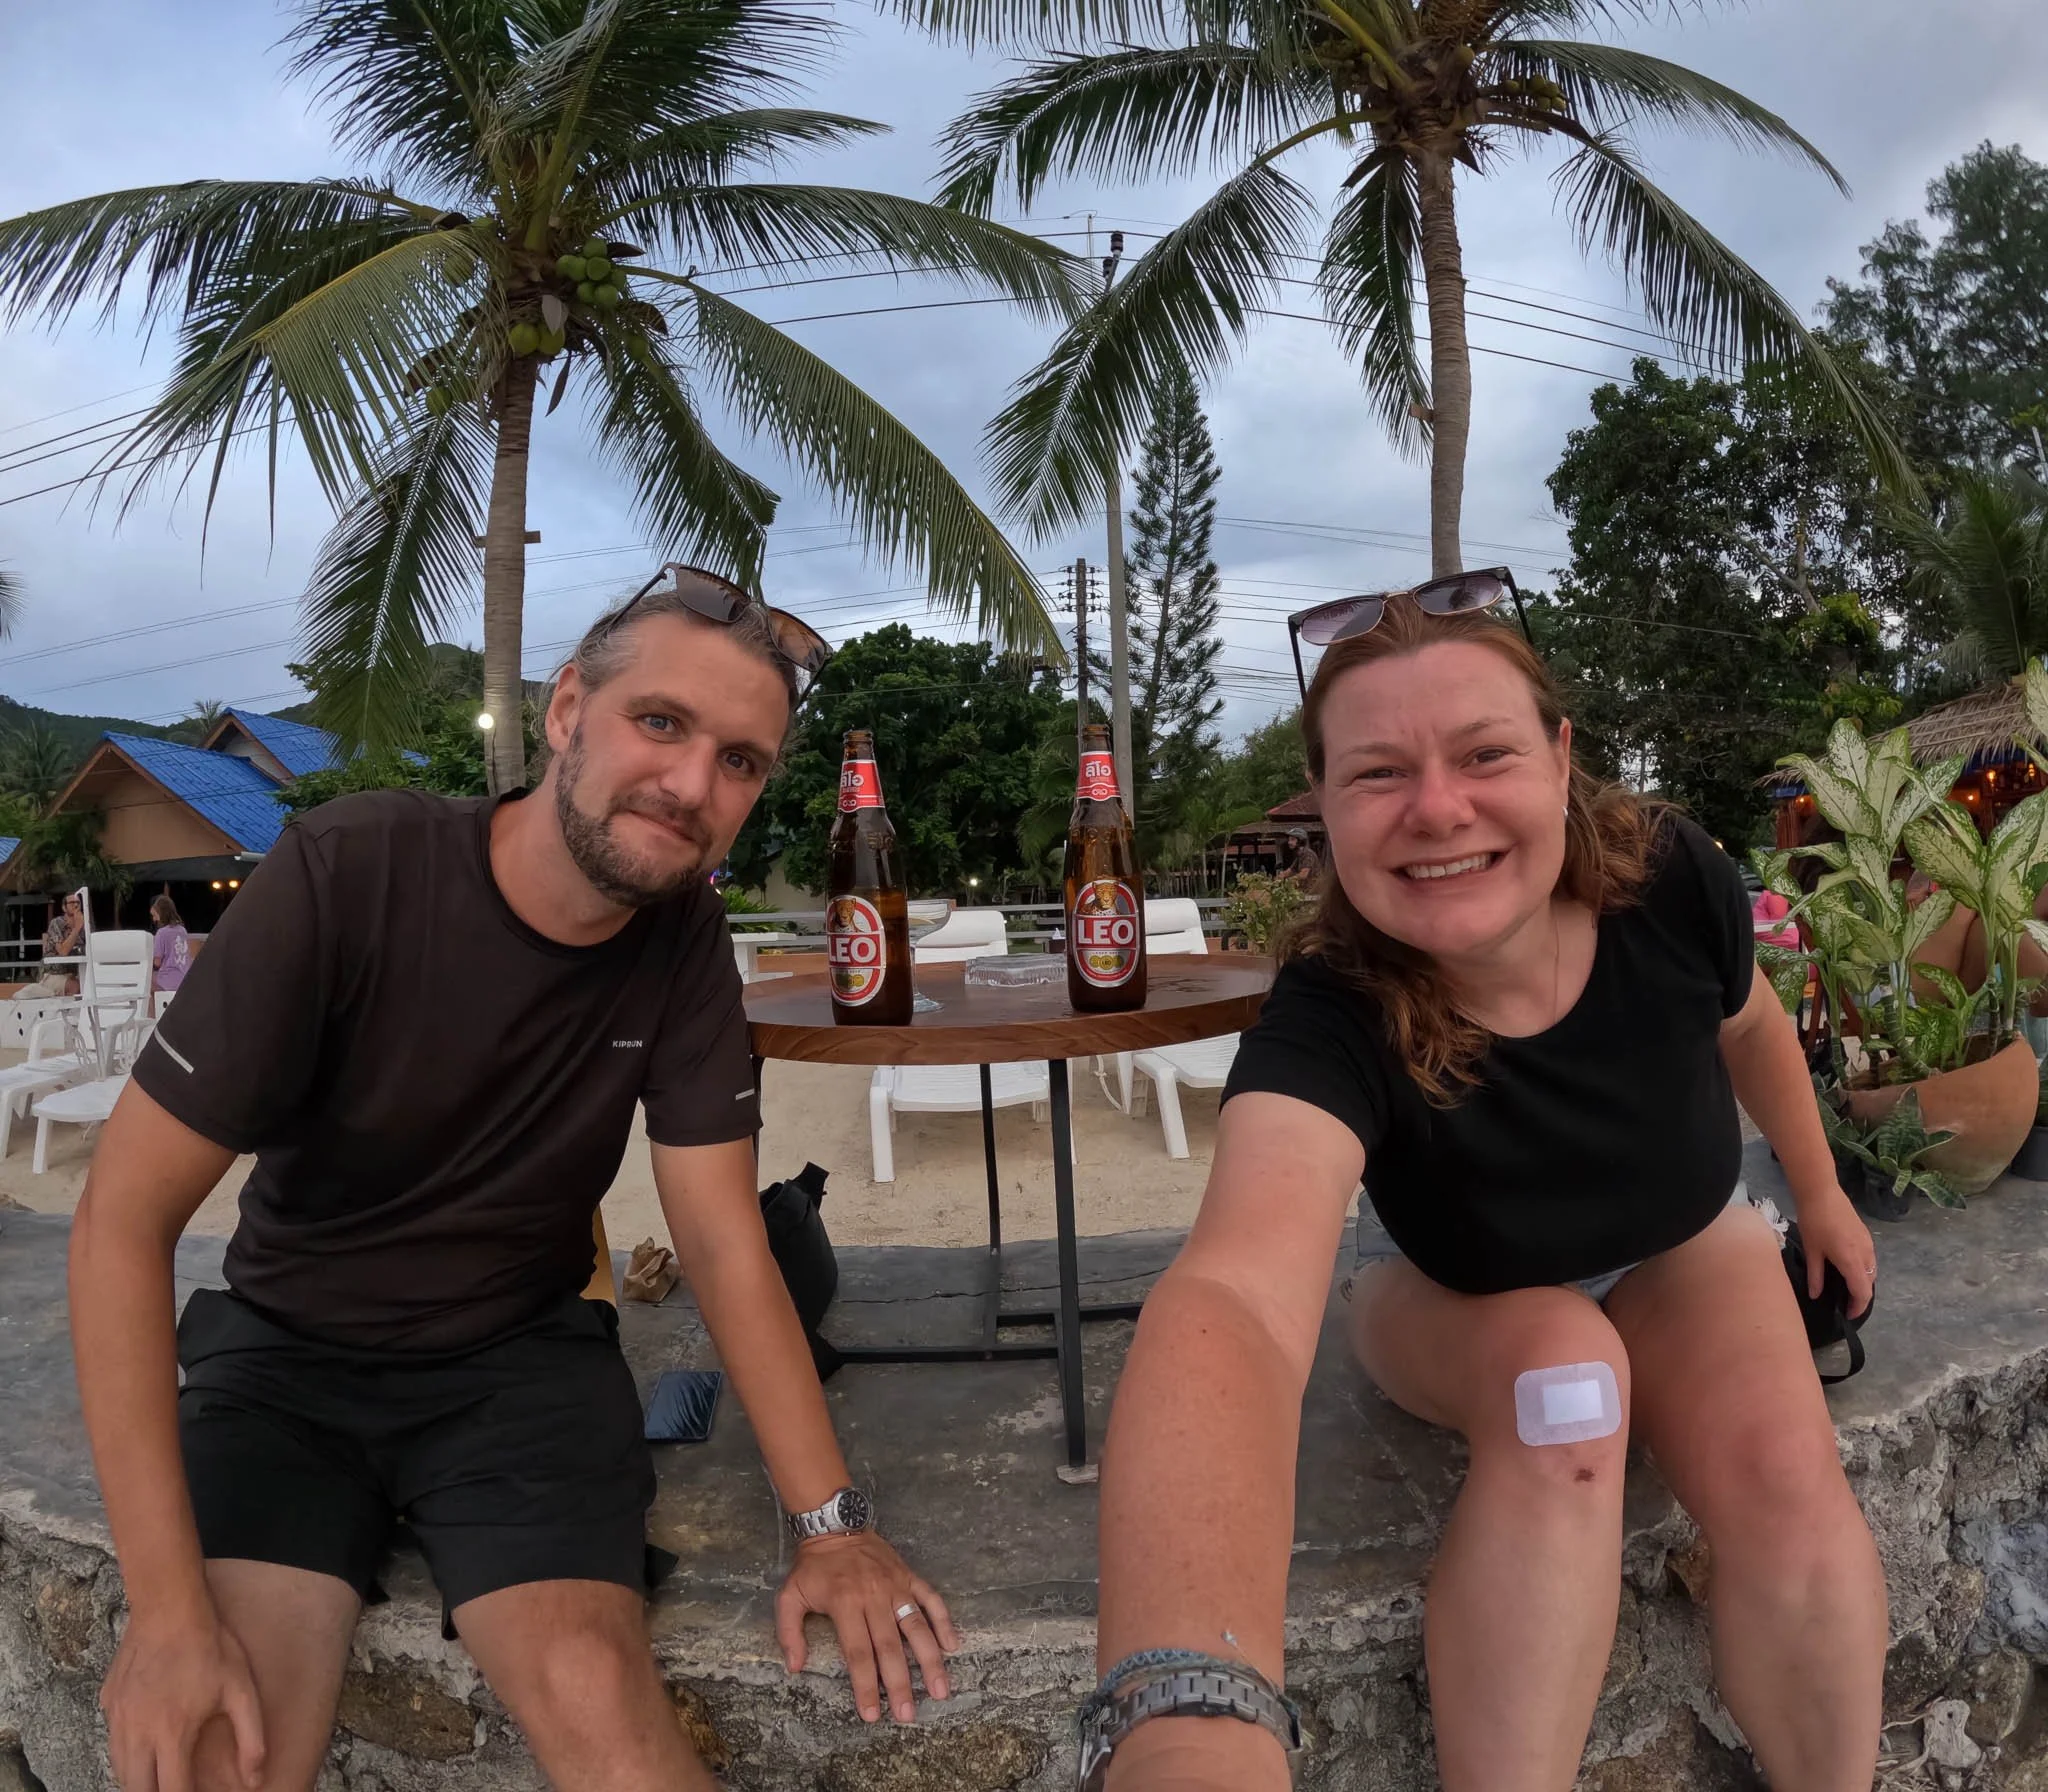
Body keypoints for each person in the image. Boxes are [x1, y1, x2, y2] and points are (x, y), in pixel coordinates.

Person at [70, 567, 958, 1792]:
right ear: (567, 709)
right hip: (286, 1365)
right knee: (221, 1746)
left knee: (602, 1703)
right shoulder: (350, 870)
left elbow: (718, 1238)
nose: (691, 784)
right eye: (660, 721)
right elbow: (121, 1220)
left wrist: (831, 1526)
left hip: (517, 1370)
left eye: (740, 760)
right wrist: (167, 1614)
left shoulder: (682, 943)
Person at [1089, 593, 1883, 1792]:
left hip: (1677, 1244)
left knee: (1783, 1466)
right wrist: (1187, 1714)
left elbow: (1750, 1025)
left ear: (1559, 758)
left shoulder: (1671, 880)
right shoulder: (1332, 1006)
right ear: (1323, 803)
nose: (1436, 808)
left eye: (1482, 754)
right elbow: (1236, 1296)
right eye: (1376, 772)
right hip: (1452, 1291)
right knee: (1568, 1393)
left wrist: (1817, 1192)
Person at [16, 891, 85, 997]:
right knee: (76, 987)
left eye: (78, 902)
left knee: (89, 985)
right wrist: (76, 928)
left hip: (75, 973)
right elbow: (63, 951)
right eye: (72, 903)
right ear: (64, 908)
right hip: (52, 974)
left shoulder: (84, 926)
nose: (76, 905)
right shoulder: (56, 924)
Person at [148, 894, 191, 997]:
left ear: (162, 914)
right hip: (184, 980)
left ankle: (155, 1008)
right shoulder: (183, 930)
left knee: (146, 987)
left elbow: (157, 963)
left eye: (155, 915)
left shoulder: (161, 933)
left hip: (168, 981)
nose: (154, 919)